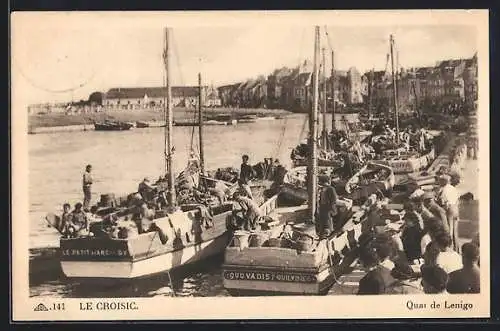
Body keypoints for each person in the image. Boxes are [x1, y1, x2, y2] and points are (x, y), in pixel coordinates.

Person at [436, 174, 460, 250]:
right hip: (455, 209)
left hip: (449, 209)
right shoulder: (453, 188)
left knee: (449, 231)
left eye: (440, 181)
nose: (438, 182)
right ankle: (457, 250)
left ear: (444, 181)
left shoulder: (443, 189)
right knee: (455, 233)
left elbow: (444, 202)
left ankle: (449, 248)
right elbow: (457, 199)